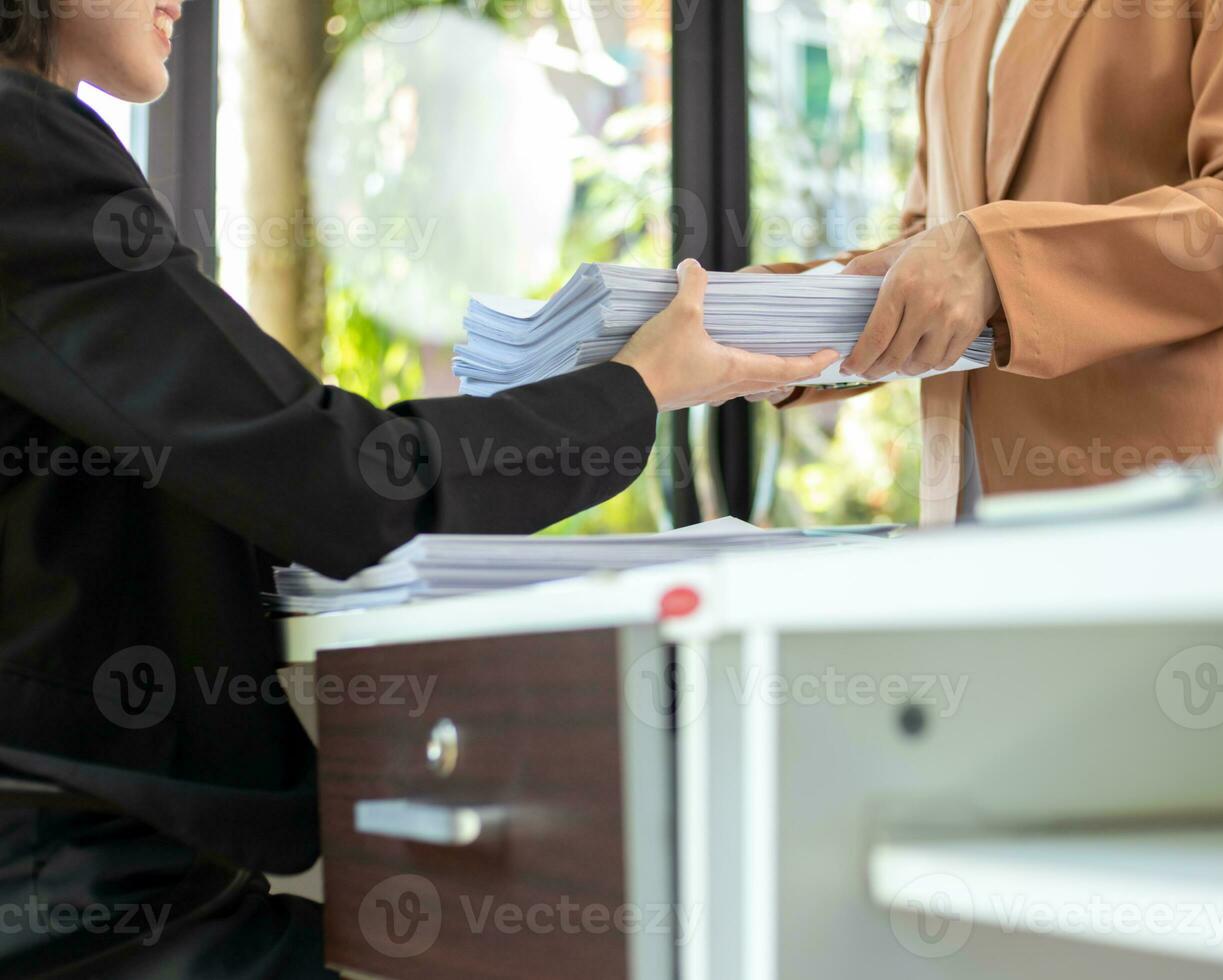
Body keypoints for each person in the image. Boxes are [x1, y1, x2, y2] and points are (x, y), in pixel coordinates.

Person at [0, 0, 837, 973]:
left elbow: (221, 469)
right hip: (66, 901)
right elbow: (334, 474)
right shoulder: (25, 148)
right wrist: (636, 386)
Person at [752, 0, 1223, 525]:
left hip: (1184, 491)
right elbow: (933, 243)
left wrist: (997, 260)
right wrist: (773, 319)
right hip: (971, 511)